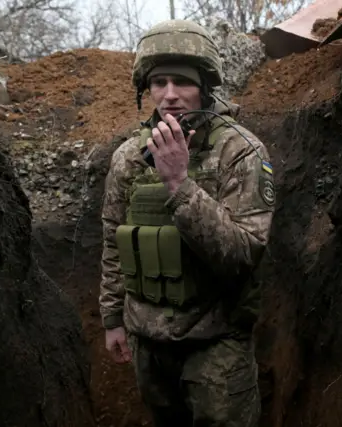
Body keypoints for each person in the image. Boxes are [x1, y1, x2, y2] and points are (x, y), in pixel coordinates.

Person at [98, 18, 276, 427]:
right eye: (159, 82)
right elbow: (113, 240)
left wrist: (179, 182)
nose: (171, 95)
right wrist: (112, 319)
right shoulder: (128, 156)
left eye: (183, 81)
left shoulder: (241, 151)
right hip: (147, 342)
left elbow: (243, 253)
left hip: (216, 345)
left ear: (205, 86)